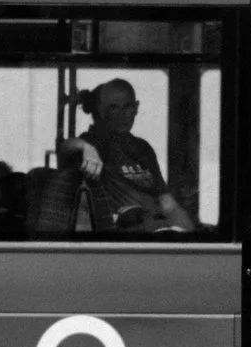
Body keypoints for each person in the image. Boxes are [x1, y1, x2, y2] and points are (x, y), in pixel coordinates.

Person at [61, 79, 196, 232]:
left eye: (128, 106)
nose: (122, 115)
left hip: (161, 226)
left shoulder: (143, 147)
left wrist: (188, 235)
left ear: (136, 108)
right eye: (114, 108)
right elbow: (66, 147)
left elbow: (167, 203)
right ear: (102, 111)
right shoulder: (95, 142)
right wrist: (86, 148)